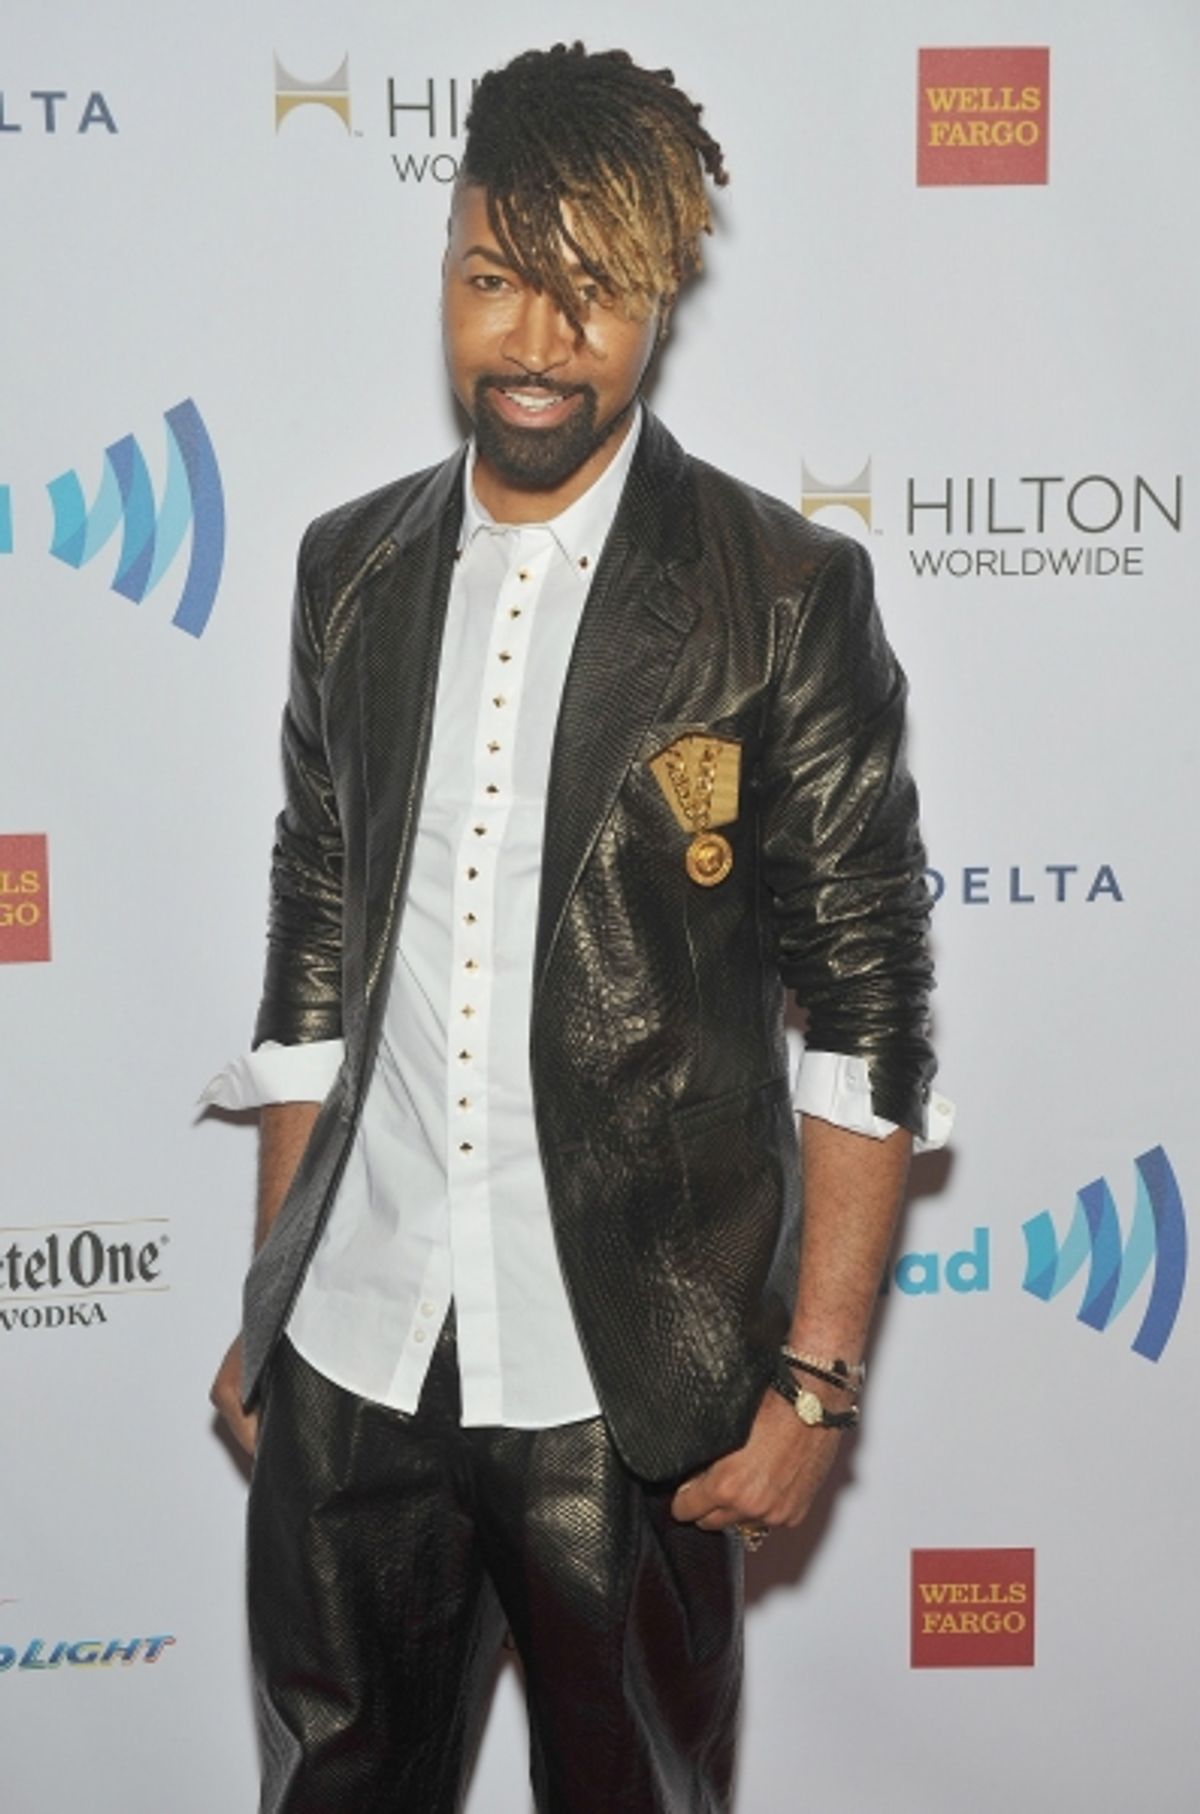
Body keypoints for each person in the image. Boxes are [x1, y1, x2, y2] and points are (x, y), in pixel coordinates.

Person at [208, 41, 947, 1813]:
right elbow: (317, 937)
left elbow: (864, 1011)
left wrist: (817, 1383)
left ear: (662, 300)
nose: (535, 341)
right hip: (354, 1355)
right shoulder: (351, 571)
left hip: (630, 1383)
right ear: (446, 262)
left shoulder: (780, 595)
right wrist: (273, 1285)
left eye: (590, 294)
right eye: (493, 279)